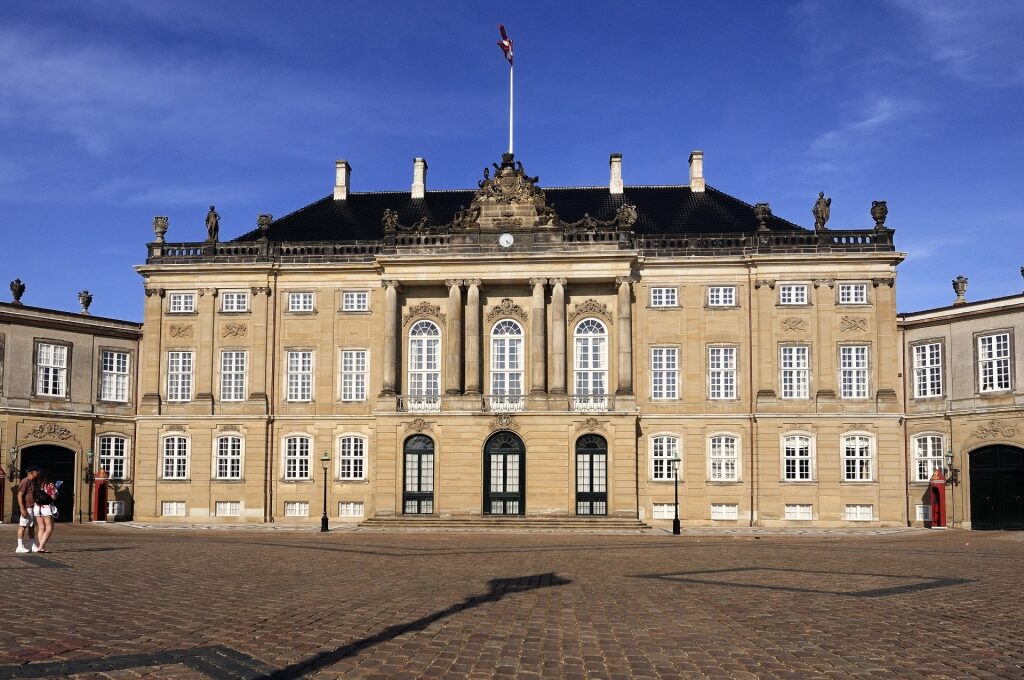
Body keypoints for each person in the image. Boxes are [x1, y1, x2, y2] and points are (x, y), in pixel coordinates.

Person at [32, 470, 59, 553]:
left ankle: (41, 546)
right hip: (46, 507)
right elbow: (54, 497)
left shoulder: (37, 485)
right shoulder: (50, 485)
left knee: (41, 527)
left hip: (37, 507)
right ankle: (41, 547)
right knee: (49, 528)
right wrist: (57, 490)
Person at [15, 466, 40, 553]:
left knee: (31, 526)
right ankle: (20, 546)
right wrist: (22, 508)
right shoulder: (25, 481)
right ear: (32, 472)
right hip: (27, 507)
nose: (38, 472)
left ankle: (32, 545)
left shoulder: (33, 481)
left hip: (32, 507)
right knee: (22, 526)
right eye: (37, 471)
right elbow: (19, 495)